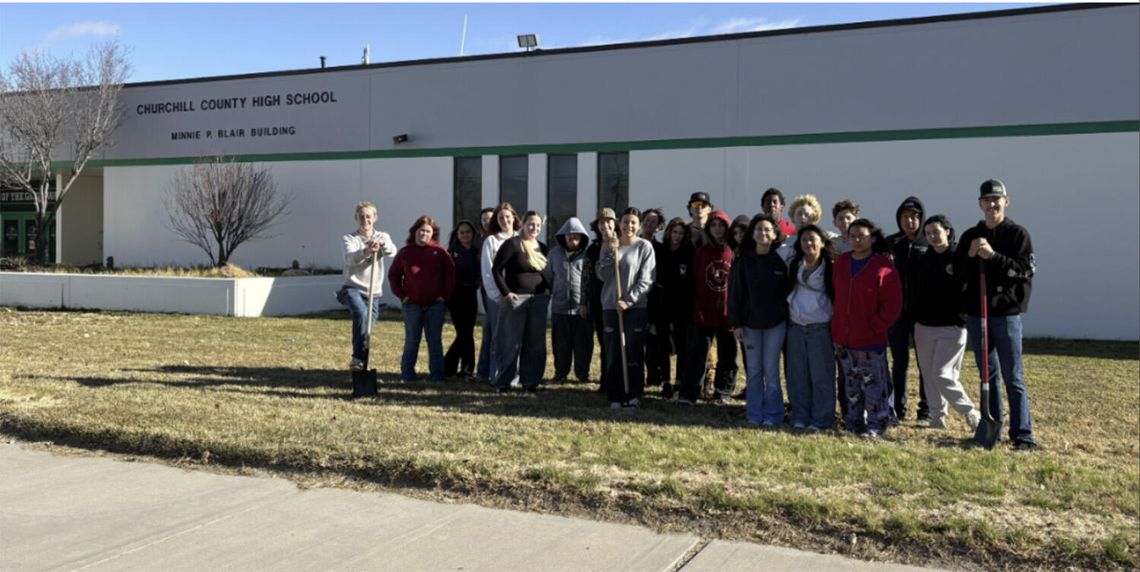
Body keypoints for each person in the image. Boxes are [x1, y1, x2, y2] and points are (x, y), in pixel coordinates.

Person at [955, 179, 1038, 451]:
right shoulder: (971, 236)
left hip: (1006, 315)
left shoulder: (1017, 235)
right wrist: (969, 256)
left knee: (1013, 376)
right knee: (987, 375)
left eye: (996, 199)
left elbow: (1025, 271)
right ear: (980, 204)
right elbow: (957, 274)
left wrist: (993, 256)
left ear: (1006, 201)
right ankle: (992, 431)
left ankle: (1022, 435)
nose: (992, 204)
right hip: (978, 315)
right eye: (987, 200)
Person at [832, 218, 902, 438]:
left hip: (870, 339)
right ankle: (853, 422)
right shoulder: (842, 262)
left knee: (873, 386)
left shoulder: (883, 266)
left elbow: (893, 304)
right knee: (851, 385)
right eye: (852, 236)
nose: (857, 240)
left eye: (861, 236)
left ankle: (876, 424)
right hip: (844, 337)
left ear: (872, 238)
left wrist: (876, 325)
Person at [913, 215, 981, 432]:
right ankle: (937, 418)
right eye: (928, 233)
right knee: (928, 375)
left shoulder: (959, 256)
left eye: (936, 231)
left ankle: (970, 412)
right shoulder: (923, 259)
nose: (933, 236)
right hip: (924, 327)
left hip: (952, 326)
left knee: (942, 374)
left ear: (948, 232)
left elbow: (969, 286)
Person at [728, 214, 789, 426]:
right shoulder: (743, 262)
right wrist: (736, 323)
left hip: (775, 325)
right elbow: (735, 294)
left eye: (767, 230)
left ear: (774, 235)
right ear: (752, 234)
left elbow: (787, 293)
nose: (763, 233)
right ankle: (754, 414)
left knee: (771, 372)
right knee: (754, 371)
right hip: (750, 325)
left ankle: (774, 415)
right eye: (759, 229)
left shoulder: (780, 262)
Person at [596, 207, 656, 408]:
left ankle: (633, 393)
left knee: (633, 351)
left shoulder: (644, 247)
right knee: (613, 352)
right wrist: (610, 252)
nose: (628, 226)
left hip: (635, 308)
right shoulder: (609, 244)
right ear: (619, 224)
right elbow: (602, 275)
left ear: (638, 226)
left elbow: (647, 280)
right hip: (611, 306)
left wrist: (629, 300)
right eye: (625, 222)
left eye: (633, 222)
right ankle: (615, 395)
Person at [678, 210, 737, 405]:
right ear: (709, 228)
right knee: (697, 354)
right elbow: (694, 279)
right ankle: (689, 393)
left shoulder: (732, 251)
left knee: (728, 355)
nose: (717, 229)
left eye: (721, 225)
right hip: (704, 311)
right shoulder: (702, 252)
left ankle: (723, 391)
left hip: (727, 312)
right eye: (714, 225)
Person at [389, 216, 456, 382]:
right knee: (412, 340)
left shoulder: (440, 252)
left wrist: (443, 296)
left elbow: (450, 276)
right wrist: (402, 295)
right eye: (421, 230)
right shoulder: (405, 253)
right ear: (415, 232)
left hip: (435, 305)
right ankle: (407, 375)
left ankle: (437, 376)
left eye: (427, 231)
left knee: (434, 341)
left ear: (433, 234)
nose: (424, 234)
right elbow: (394, 275)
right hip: (412, 304)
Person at [491, 210, 551, 393]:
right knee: (510, 342)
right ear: (523, 224)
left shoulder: (542, 247)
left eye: (538, 225)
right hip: (516, 299)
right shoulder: (512, 244)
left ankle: (530, 382)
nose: (534, 228)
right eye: (531, 224)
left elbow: (547, 273)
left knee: (535, 343)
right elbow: (496, 270)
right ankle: (504, 382)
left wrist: (548, 291)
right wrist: (506, 293)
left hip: (538, 300)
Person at [785, 224, 837, 430]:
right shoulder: (794, 265)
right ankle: (800, 416)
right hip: (796, 327)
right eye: (804, 239)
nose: (808, 243)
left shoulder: (831, 268)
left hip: (820, 328)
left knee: (821, 376)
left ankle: (821, 419)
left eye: (812, 239)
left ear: (822, 243)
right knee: (797, 375)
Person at [336, 201, 397, 372]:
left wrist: (382, 245)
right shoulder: (350, 238)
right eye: (361, 217)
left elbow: (393, 251)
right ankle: (357, 358)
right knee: (361, 313)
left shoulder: (383, 236)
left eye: (368, 216)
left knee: (366, 330)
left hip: (373, 292)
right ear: (356, 218)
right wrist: (366, 251)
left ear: (375, 218)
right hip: (352, 288)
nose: (365, 220)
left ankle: (361, 364)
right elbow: (349, 259)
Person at [886, 196, 930, 423]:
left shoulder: (928, 241)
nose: (909, 221)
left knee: (925, 363)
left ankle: (926, 408)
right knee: (899, 361)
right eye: (905, 217)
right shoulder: (891, 243)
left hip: (921, 313)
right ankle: (898, 407)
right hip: (897, 313)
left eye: (914, 217)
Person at [647, 217, 694, 397]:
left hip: (682, 305)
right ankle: (665, 380)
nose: (677, 236)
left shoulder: (688, 252)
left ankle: (679, 381)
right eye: (675, 232)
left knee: (682, 345)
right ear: (668, 232)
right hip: (662, 304)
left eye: (681, 233)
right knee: (663, 345)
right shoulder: (660, 251)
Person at [477, 203, 520, 384]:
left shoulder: (521, 238)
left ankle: (515, 376)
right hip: (498, 298)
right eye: (501, 217)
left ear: (514, 218)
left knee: (516, 338)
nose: (505, 220)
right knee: (499, 337)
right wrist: (497, 296)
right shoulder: (492, 241)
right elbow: (488, 272)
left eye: (508, 216)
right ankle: (496, 375)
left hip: (520, 296)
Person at [548, 217, 593, 383]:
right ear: (563, 236)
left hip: (582, 309)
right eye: (569, 234)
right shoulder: (554, 254)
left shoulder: (588, 254)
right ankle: (560, 373)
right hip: (559, 308)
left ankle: (582, 374)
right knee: (560, 344)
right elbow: (548, 277)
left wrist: (586, 304)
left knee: (583, 344)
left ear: (582, 236)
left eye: (576, 234)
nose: (572, 237)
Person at [585, 208, 618, 392]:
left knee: (618, 343)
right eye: (602, 222)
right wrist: (584, 302)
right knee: (604, 343)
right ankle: (606, 380)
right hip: (599, 302)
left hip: (618, 300)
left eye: (609, 221)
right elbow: (587, 276)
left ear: (615, 223)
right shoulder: (593, 249)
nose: (605, 225)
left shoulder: (622, 243)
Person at [445, 220, 481, 379]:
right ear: (457, 235)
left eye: (468, 232)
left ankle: (466, 369)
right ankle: (449, 366)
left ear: (473, 234)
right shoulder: (452, 252)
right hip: (455, 295)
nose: (465, 235)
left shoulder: (477, 251)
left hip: (471, 293)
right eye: (462, 232)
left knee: (468, 332)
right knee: (463, 333)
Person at [474, 206, 498, 381]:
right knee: (490, 327)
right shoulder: (480, 240)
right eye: (483, 219)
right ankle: (484, 370)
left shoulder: (499, 238)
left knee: (492, 328)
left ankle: (487, 370)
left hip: (501, 288)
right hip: (487, 288)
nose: (486, 221)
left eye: (489, 218)